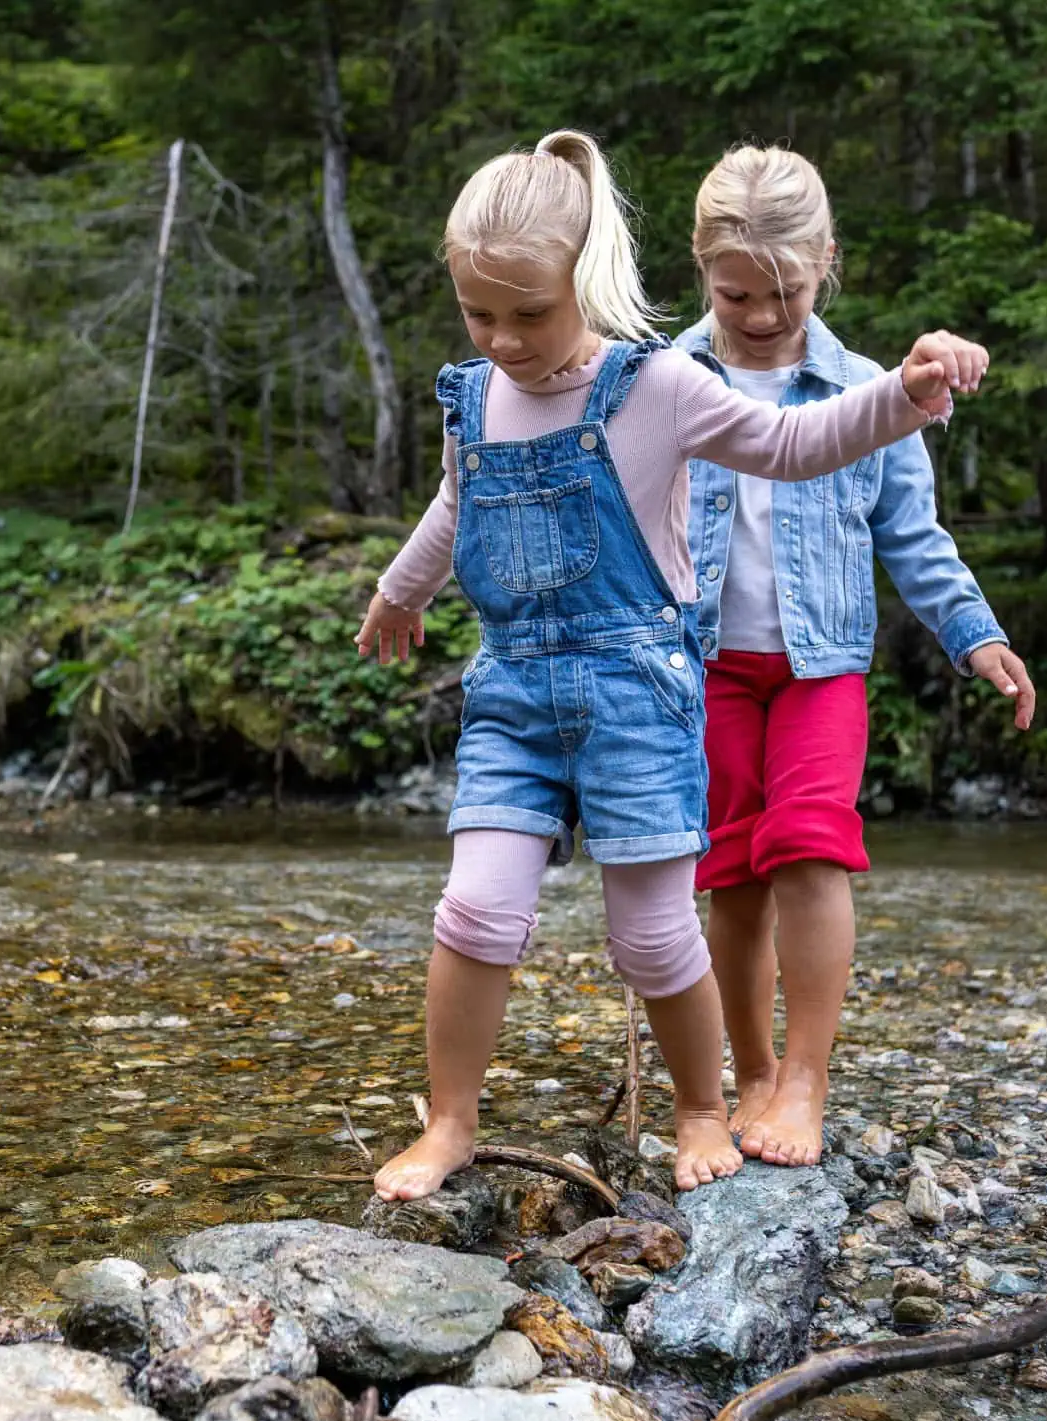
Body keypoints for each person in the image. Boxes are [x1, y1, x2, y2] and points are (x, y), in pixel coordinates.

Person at [354, 129, 990, 1200]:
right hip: (511, 692)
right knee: (475, 910)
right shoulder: (472, 397)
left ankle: (708, 1106)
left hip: (639, 695)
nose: (503, 340)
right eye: (479, 316)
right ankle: (450, 1121)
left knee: (653, 932)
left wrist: (904, 394)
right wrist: (398, 590)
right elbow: (457, 503)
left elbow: (794, 446)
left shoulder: (657, 387)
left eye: (528, 315)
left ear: (587, 277)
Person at [679, 144, 1034, 1167]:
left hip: (819, 666)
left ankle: (804, 1079)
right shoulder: (663, 379)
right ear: (703, 272)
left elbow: (914, 541)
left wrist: (976, 634)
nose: (756, 315)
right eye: (734, 292)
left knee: (811, 844)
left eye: (782, 293)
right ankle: (747, 1069)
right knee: (730, 870)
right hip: (702, 666)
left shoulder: (873, 393)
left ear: (824, 261)